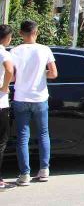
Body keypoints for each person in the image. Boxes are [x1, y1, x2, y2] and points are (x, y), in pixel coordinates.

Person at [11, 20, 58, 185]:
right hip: (39, 98)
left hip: (20, 97)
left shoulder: (15, 51)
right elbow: (53, 74)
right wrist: (41, 73)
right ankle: (44, 170)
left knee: (23, 137)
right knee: (43, 134)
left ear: (20, 33)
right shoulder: (45, 50)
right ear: (36, 32)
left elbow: (13, 76)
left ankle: (24, 175)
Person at [0, 25, 12, 189]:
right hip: (0, 103)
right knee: (1, 141)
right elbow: (9, 69)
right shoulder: (3, 52)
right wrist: (5, 86)